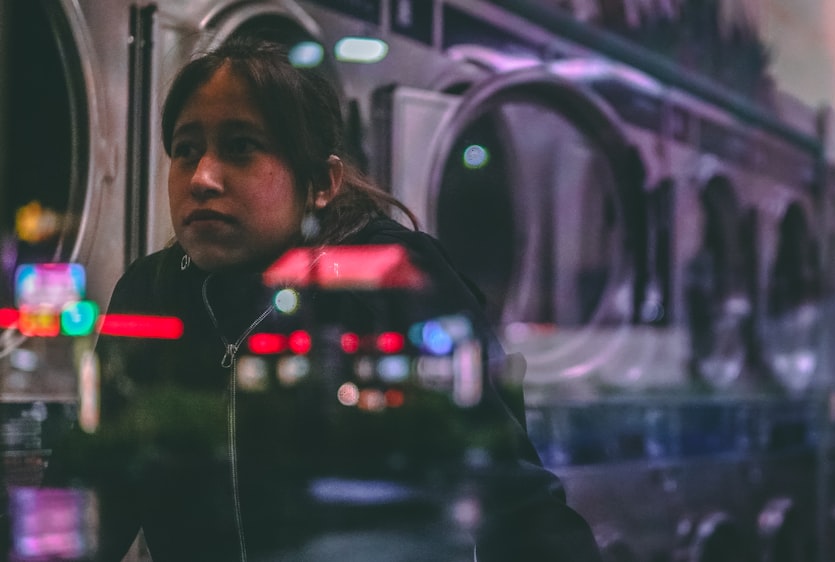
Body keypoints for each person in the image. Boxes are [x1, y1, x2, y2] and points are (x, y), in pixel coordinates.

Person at [43, 37, 602, 562]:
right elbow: (93, 491)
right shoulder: (150, 292)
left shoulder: (390, 280)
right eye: (186, 150)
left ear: (322, 181)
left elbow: (513, 497)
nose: (202, 178)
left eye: (241, 147)